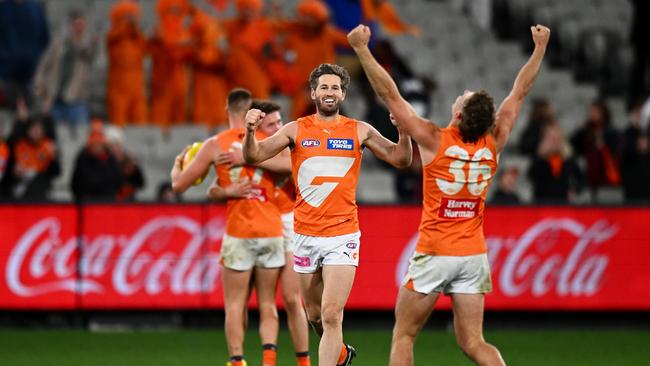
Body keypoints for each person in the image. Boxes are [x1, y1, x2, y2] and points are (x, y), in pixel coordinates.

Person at [347, 23, 549, 365]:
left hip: (435, 252)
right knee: (473, 342)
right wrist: (540, 48)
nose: (463, 92)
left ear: (458, 114)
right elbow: (520, 92)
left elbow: (391, 96)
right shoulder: (494, 142)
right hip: (472, 255)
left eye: (465, 96)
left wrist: (361, 49)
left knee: (404, 334)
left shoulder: (433, 138)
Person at [242, 63, 413, 366]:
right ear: (314, 93)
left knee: (332, 314)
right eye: (324, 87)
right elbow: (254, 156)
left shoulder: (359, 130)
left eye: (335, 87)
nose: (330, 92)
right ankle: (342, 354)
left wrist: (403, 131)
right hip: (306, 235)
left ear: (343, 94)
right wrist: (250, 131)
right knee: (315, 314)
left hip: (343, 235)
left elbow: (400, 159)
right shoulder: (296, 129)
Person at [171, 89, 291, 366]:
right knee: (268, 305)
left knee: (235, 305)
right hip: (271, 230)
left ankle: (237, 361)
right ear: (253, 112)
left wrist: (177, 167)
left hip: (238, 231)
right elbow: (294, 167)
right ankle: (269, 361)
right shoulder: (269, 141)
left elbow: (179, 186)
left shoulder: (215, 144)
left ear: (227, 108)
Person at [207, 100, 312, 366]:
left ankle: (302, 360)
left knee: (290, 298)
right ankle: (268, 358)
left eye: (279, 122)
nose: (279, 127)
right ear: (259, 129)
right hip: (267, 224)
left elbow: (289, 166)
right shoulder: (252, 146)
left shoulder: (285, 147)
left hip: (290, 220)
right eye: (272, 124)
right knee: (263, 300)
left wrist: (248, 157)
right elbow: (216, 185)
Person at [32, 10, 96, 137]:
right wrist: (41, 91)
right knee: (51, 136)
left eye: (82, 25)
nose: (79, 28)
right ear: (71, 26)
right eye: (76, 24)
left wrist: (89, 43)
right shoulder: (58, 45)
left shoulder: (88, 46)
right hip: (54, 100)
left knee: (81, 136)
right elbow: (43, 67)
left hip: (77, 101)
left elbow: (90, 56)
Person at [106, 0, 148, 125]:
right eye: (126, 16)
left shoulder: (137, 35)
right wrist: (125, 23)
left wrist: (133, 25)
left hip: (136, 85)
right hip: (118, 86)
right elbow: (112, 37)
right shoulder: (114, 35)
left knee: (140, 120)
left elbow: (145, 47)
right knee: (118, 121)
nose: (130, 19)